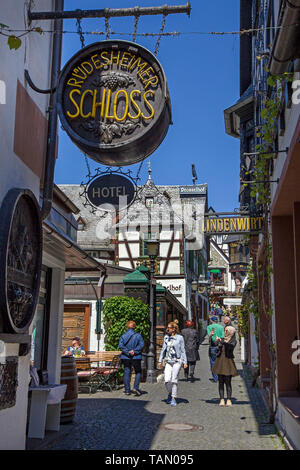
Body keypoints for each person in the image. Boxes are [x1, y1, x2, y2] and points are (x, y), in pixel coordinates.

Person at [158, 320, 188, 406]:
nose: (167, 329)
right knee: (167, 380)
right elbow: (163, 349)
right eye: (167, 328)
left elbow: (182, 350)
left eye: (169, 328)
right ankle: (170, 393)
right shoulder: (166, 337)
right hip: (168, 360)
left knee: (174, 379)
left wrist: (185, 362)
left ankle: (173, 398)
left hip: (177, 361)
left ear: (174, 329)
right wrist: (160, 360)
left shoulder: (180, 338)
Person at [212, 325, 238, 406]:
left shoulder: (233, 341)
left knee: (228, 381)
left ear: (231, 332)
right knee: (220, 381)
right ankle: (222, 399)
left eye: (226, 331)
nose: (225, 332)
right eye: (224, 331)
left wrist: (222, 342)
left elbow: (230, 347)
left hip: (228, 362)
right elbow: (214, 344)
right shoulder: (222, 339)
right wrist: (211, 337)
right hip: (220, 361)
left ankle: (229, 399)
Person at [118, 320, 144, 396]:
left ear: (127, 327)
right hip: (136, 357)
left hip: (126, 356)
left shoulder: (123, 336)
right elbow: (141, 345)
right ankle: (135, 387)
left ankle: (127, 390)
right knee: (138, 371)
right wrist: (134, 351)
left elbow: (121, 345)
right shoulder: (138, 335)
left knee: (126, 372)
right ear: (134, 327)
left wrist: (127, 352)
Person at [207, 317, 224, 382]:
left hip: (213, 346)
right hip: (220, 346)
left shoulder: (209, 327)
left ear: (211, 321)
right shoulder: (221, 327)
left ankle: (215, 378)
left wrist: (212, 336)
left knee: (213, 362)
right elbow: (222, 336)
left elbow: (210, 335)